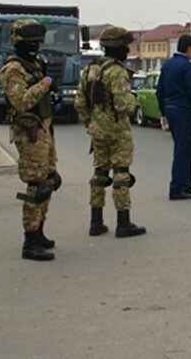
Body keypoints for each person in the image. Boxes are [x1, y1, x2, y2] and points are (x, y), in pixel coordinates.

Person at [0, 19, 61, 261]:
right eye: (30, 42)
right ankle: (30, 241)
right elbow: (21, 101)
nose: (35, 46)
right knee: (37, 185)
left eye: (37, 42)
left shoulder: (34, 64)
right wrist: (45, 84)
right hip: (29, 132)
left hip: (44, 127)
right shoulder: (13, 69)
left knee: (50, 181)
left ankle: (40, 231)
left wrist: (51, 93)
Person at [76, 26, 146, 238]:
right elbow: (123, 105)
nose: (127, 50)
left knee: (99, 174)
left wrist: (91, 123)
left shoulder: (90, 69)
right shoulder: (116, 72)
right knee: (121, 175)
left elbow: (79, 102)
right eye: (125, 46)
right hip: (117, 131)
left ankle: (96, 222)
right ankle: (123, 222)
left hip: (97, 131)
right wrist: (132, 98)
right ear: (117, 47)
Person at [156, 34, 191, 200]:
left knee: (183, 148)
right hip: (183, 109)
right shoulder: (187, 67)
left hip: (171, 108)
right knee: (182, 150)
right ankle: (177, 188)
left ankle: (186, 184)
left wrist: (163, 112)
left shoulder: (167, 65)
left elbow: (160, 91)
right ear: (189, 48)